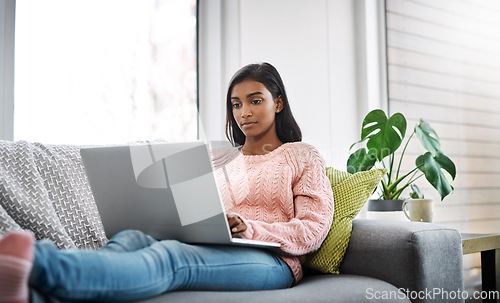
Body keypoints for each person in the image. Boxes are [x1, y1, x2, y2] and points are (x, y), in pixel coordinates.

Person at [0, 62, 334, 303]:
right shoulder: (218, 158)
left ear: (278, 103)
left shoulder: (302, 155)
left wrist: (248, 228)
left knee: (173, 258)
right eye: (236, 104)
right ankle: (33, 293)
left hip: (273, 260)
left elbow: (312, 230)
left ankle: (36, 261)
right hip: (210, 243)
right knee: (131, 236)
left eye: (255, 100)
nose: (243, 112)